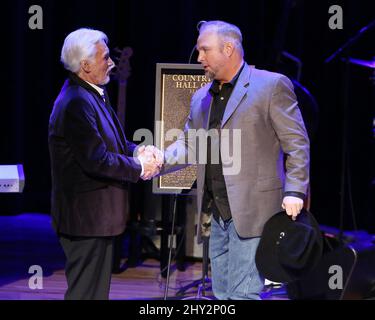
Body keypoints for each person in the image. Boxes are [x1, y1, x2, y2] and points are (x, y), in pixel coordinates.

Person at [154, 20, 310, 300]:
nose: (199, 57)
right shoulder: (202, 96)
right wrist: (159, 159)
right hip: (217, 212)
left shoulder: (271, 85)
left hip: (255, 211)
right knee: (223, 293)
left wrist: (295, 190)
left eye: (205, 50)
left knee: (244, 295)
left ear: (228, 48)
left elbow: (297, 142)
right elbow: (191, 144)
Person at [48, 28, 161, 300]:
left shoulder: (91, 94)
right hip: (85, 220)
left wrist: (139, 152)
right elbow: (97, 160)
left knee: (95, 294)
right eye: (105, 57)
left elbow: (114, 145)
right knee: (86, 294)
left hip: (97, 219)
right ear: (85, 65)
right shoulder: (76, 103)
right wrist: (140, 168)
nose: (111, 63)